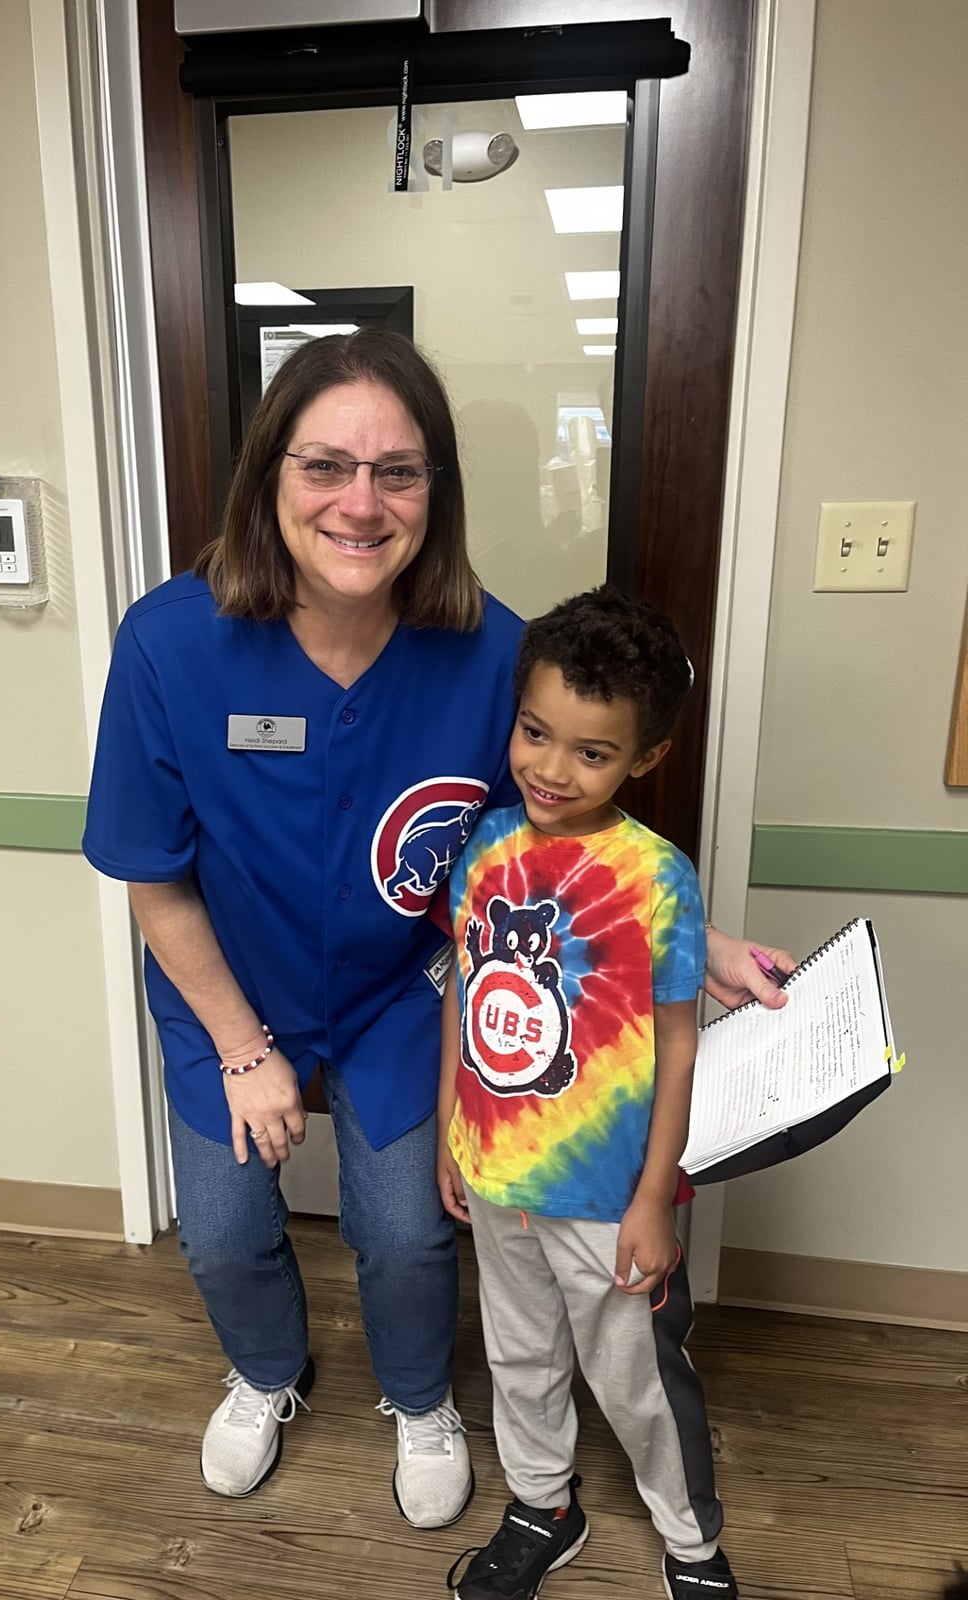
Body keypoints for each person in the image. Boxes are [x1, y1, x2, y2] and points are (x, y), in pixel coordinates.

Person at [81, 330, 792, 1534]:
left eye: (399, 471)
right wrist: (246, 1050)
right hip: (225, 993)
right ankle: (267, 1372)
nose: (362, 502)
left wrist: (703, 944)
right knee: (222, 1226)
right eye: (326, 466)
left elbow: (560, 830)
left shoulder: (486, 654)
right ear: (270, 479)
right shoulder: (169, 642)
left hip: (402, 991)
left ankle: (419, 1399)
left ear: (436, 492)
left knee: (410, 1226)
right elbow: (154, 878)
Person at [439, 587, 740, 1600]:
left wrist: (655, 1196)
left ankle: (693, 1544)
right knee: (518, 1357)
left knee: (640, 1383)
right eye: (534, 732)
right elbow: (466, 994)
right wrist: (452, 1128)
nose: (551, 768)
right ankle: (542, 1502)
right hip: (496, 1176)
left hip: (610, 1200)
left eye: (591, 751)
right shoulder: (482, 848)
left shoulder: (659, 879)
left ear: (645, 758)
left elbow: (681, 1045)